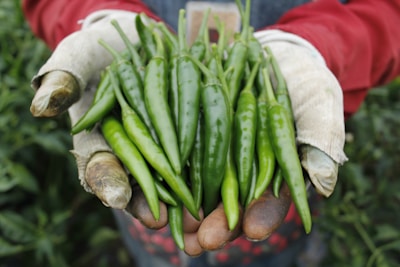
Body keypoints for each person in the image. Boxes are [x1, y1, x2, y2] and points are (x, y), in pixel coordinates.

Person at [22, 0, 400, 266]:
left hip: (272, 216)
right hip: (150, 205)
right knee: (157, 226)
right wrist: (100, 17)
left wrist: (321, 46)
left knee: (273, 241)